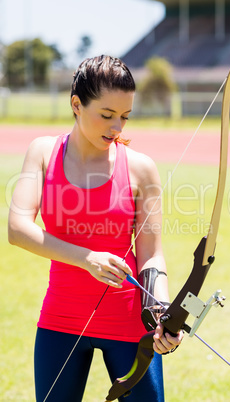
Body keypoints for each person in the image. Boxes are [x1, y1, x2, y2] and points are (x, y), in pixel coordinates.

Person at [8, 55, 183, 402]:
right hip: (60, 320)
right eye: (106, 115)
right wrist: (87, 258)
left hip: (129, 323)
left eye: (125, 117)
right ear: (76, 104)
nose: (117, 127)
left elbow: (151, 255)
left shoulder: (142, 169)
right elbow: (17, 228)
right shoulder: (43, 152)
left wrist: (163, 312)